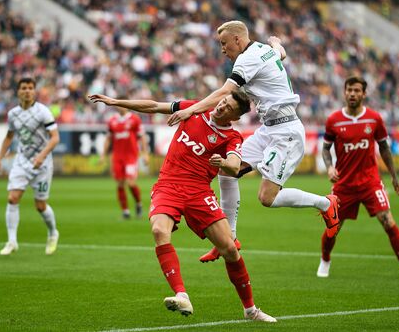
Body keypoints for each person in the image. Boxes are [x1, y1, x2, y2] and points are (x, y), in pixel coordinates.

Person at [89, 90, 277, 322]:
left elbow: (234, 165)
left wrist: (224, 164)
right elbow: (154, 106)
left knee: (229, 249)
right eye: (223, 102)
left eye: (229, 108)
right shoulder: (195, 109)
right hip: (168, 185)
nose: (222, 107)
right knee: (159, 230)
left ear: (235, 117)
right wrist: (116, 101)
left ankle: (250, 310)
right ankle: (181, 294)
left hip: (199, 191)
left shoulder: (231, 137)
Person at [166, 20, 339, 262]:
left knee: (267, 198)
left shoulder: (246, 60)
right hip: (268, 129)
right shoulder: (262, 49)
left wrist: (191, 110)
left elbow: (225, 92)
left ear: (238, 39)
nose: (223, 49)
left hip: (286, 132)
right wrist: (277, 44)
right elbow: (281, 53)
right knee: (227, 168)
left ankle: (325, 203)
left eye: (224, 44)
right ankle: (230, 238)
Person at [317, 76, 399, 281]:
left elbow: (384, 148)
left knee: (388, 221)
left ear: (364, 94)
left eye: (356, 90)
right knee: (333, 227)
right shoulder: (334, 120)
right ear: (344, 92)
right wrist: (329, 167)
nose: (352, 94)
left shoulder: (374, 118)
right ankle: (325, 260)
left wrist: (393, 176)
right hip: (344, 184)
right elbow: (326, 148)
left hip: (370, 182)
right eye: (349, 90)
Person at [0, 77, 60, 256]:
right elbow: (9, 137)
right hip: (21, 161)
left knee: (40, 205)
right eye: (24, 88)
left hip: (42, 164)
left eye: (30, 88)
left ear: (34, 91)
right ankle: (12, 241)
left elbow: (55, 138)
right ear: (18, 91)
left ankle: (53, 233)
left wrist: (41, 156)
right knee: (12, 198)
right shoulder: (13, 114)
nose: (27, 91)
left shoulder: (43, 112)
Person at [100, 102, 149, 219]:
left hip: (131, 156)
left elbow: (141, 137)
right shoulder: (112, 120)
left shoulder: (134, 119)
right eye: (118, 104)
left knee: (131, 183)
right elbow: (108, 139)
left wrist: (145, 154)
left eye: (122, 104)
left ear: (127, 105)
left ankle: (138, 204)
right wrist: (103, 155)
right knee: (120, 183)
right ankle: (125, 212)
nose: (120, 106)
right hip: (117, 157)